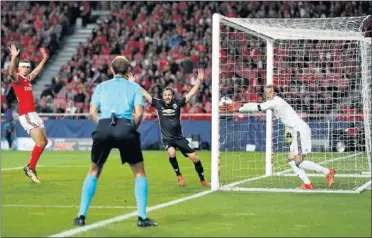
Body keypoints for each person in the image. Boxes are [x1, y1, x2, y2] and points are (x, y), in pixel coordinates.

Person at [73, 56, 157, 227]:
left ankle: (81, 215)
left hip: (104, 126)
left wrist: (102, 126)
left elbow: (92, 112)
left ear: (112, 70)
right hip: (125, 127)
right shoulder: (134, 87)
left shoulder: (101, 87)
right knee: (139, 172)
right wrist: (130, 128)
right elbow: (139, 113)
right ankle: (142, 217)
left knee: (94, 171)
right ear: (127, 71)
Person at [220, 85, 336, 190]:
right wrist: (239, 106)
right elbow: (255, 105)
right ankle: (307, 184)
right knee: (291, 160)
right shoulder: (272, 103)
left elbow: (258, 107)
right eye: (266, 92)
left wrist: (237, 107)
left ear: (275, 93)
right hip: (297, 132)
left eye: (270, 92)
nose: (268, 94)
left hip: (300, 130)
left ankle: (327, 172)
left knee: (298, 162)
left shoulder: (276, 101)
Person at [129, 69, 210, 187]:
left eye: (169, 95)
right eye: (165, 95)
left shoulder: (177, 103)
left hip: (179, 137)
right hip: (168, 139)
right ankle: (179, 176)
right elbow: (145, 94)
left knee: (195, 158)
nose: (167, 97)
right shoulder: (158, 104)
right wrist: (134, 83)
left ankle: (202, 180)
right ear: (163, 96)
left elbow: (191, 94)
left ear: (172, 96)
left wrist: (198, 81)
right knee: (171, 153)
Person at [8, 44, 49, 183]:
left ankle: (30, 167)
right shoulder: (17, 79)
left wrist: (43, 60)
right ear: (19, 68)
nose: (26, 68)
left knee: (45, 142)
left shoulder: (26, 79)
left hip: (33, 114)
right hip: (26, 115)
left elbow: (36, 73)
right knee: (40, 142)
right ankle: (30, 168)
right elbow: (10, 72)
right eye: (23, 66)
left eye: (27, 66)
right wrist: (13, 58)